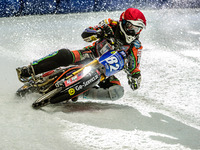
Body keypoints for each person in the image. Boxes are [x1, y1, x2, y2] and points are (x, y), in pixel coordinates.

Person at [16, 8, 146, 101]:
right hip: (89, 55)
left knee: (117, 92)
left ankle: (82, 93)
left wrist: (135, 77)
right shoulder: (110, 24)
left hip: (104, 72)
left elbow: (134, 67)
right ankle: (30, 69)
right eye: (131, 27)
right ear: (123, 22)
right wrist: (99, 33)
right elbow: (86, 34)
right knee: (64, 54)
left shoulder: (136, 46)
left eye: (137, 29)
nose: (133, 32)